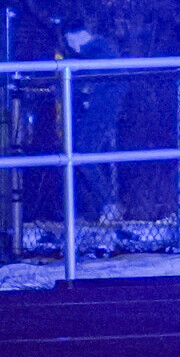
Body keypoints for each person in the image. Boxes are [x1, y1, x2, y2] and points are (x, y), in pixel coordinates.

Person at [59, 25, 124, 226]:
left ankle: (108, 204)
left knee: (84, 155)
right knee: (84, 157)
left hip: (98, 114)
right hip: (96, 113)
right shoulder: (99, 53)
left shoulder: (94, 56)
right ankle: (102, 206)